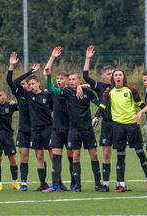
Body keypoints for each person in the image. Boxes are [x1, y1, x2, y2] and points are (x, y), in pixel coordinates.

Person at [95, 68, 147, 192]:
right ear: (113, 78)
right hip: (118, 127)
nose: (118, 77)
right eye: (116, 75)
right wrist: (96, 116)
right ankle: (121, 184)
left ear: (123, 77)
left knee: (140, 153)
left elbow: (140, 104)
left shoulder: (131, 90)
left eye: (120, 74)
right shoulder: (109, 92)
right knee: (120, 156)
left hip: (132, 126)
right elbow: (102, 105)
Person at [45, 68, 102, 192]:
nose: (71, 82)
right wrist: (49, 75)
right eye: (69, 79)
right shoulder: (66, 92)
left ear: (79, 80)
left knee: (94, 155)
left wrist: (97, 115)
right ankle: (77, 186)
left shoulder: (88, 93)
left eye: (73, 79)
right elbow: (50, 88)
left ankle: (98, 184)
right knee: (75, 157)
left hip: (87, 129)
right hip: (74, 130)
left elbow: (101, 104)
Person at [42, 47, 87, 192]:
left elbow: (91, 87)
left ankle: (74, 184)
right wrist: (52, 57)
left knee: (71, 158)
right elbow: (48, 80)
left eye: (62, 78)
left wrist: (81, 85)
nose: (59, 80)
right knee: (56, 157)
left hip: (70, 129)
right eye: (58, 78)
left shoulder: (71, 92)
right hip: (56, 129)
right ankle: (56, 185)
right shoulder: (56, 91)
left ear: (68, 81)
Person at [14, 64, 53, 191]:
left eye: (33, 84)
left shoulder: (47, 95)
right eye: (29, 84)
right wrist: (30, 71)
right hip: (35, 130)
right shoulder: (28, 96)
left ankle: (57, 183)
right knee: (39, 156)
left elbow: (55, 108)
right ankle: (43, 183)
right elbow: (16, 81)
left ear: (38, 83)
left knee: (53, 156)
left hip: (48, 128)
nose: (31, 86)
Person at [82, 45, 114, 192]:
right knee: (106, 153)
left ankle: (122, 183)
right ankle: (105, 184)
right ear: (103, 76)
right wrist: (88, 58)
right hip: (107, 123)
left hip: (121, 124)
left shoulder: (124, 87)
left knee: (122, 154)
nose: (111, 75)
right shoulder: (100, 87)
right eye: (108, 73)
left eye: (113, 73)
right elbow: (86, 77)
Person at [6, 52, 31, 191]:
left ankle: (45, 181)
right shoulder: (19, 95)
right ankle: (24, 182)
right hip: (23, 130)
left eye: (24, 84)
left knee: (40, 155)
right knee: (24, 156)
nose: (21, 85)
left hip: (37, 130)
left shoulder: (33, 95)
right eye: (21, 84)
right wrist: (11, 65)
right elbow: (11, 81)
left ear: (28, 85)